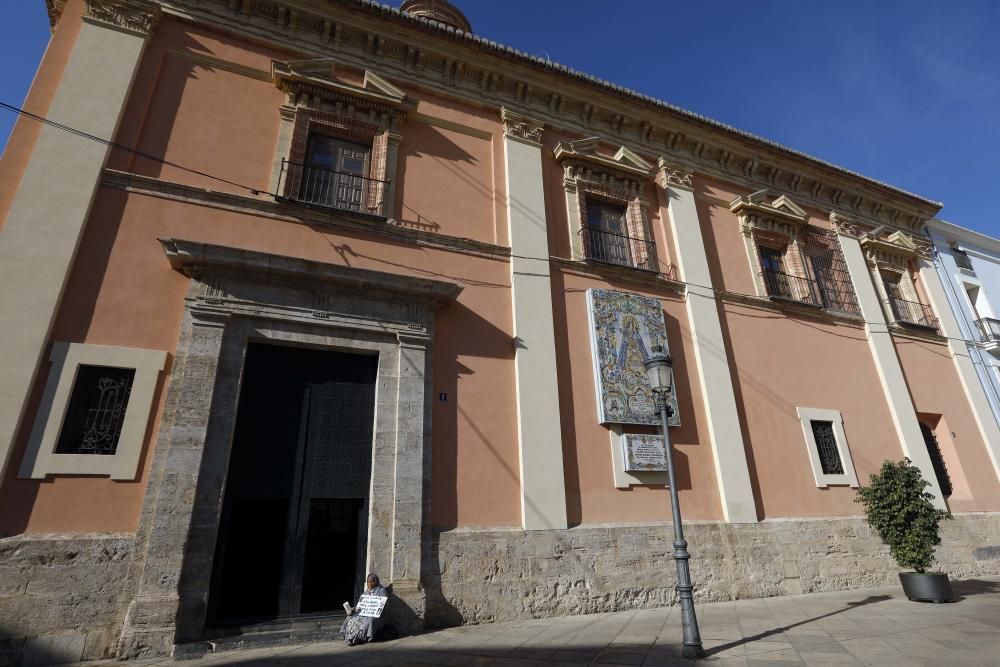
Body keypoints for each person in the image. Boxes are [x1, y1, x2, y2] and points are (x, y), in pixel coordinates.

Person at [341, 573, 389, 646]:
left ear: (376, 582)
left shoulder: (382, 591)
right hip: (364, 615)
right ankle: (350, 637)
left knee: (369, 621)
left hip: (377, 616)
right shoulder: (365, 593)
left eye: (372, 581)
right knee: (351, 619)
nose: (370, 584)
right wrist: (353, 609)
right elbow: (360, 606)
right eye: (368, 582)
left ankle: (359, 638)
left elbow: (383, 606)